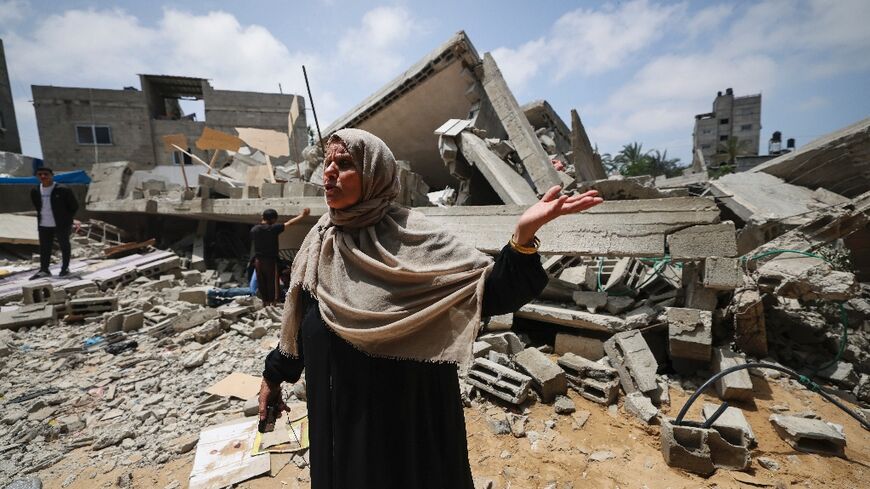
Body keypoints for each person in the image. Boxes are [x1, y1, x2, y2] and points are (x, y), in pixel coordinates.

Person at [258, 129, 603, 488]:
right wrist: (274, 374)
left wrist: (523, 237)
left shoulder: (415, 237)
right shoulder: (321, 240)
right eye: (328, 163)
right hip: (339, 422)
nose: (328, 172)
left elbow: (490, 292)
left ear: (375, 173)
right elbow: (305, 322)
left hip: (404, 425)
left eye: (344, 164)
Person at [250, 207, 309, 305]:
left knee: (262, 281)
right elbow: (289, 223)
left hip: (258, 261)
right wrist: (302, 215)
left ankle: (265, 301)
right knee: (272, 281)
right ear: (273, 219)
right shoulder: (273, 228)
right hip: (270, 261)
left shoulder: (254, 229)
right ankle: (273, 302)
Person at [29, 166, 79, 279]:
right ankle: (44, 270)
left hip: (61, 224)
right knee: (44, 247)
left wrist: (66, 219)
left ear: (52, 175)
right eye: (40, 174)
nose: (43, 176)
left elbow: (74, 206)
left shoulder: (63, 189)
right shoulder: (35, 190)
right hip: (43, 224)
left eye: (46, 174)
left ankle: (65, 268)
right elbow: (38, 206)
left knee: (64, 245)